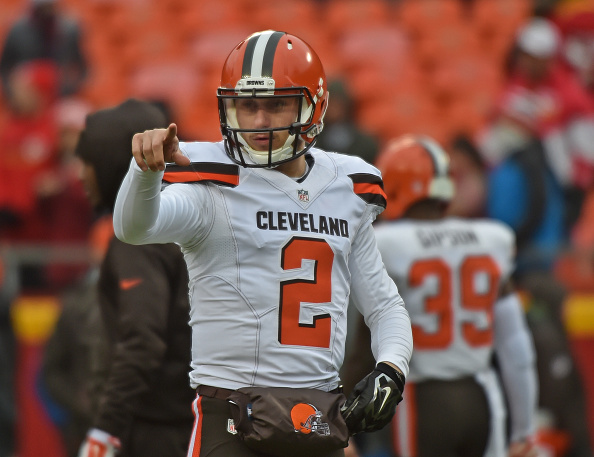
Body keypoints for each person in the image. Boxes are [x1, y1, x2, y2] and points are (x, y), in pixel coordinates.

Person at [113, 30, 413, 457]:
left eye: (276, 105)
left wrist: (391, 369)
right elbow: (135, 228)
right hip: (230, 420)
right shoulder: (211, 181)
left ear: (315, 105)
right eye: (247, 105)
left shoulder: (347, 185)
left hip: (318, 416)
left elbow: (384, 304)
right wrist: (143, 171)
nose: (259, 120)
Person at [370, 135, 538, 457]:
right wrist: (524, 430)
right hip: (483, 395)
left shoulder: (385, 243)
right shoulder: (492, 237)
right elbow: (516, 346)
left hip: (424, 398)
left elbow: (358, 345)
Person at [72, 99, 195, 457]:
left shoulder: (139, 238)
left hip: (153, 434)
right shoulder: (184, 219)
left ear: (112, 163)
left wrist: (104, 431)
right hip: (193, 424)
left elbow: (142, 340)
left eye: (89, 162)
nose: (81, 174)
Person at [0, 0, 87, 98]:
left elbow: (83, 68)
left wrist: (69, 88)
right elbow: (5, 67)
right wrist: (14, 91)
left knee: (75, 111)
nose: (46, 12)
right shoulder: (17, 30)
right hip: (27, 93)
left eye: (49, 6)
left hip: (59, 91)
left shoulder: (70, 30)